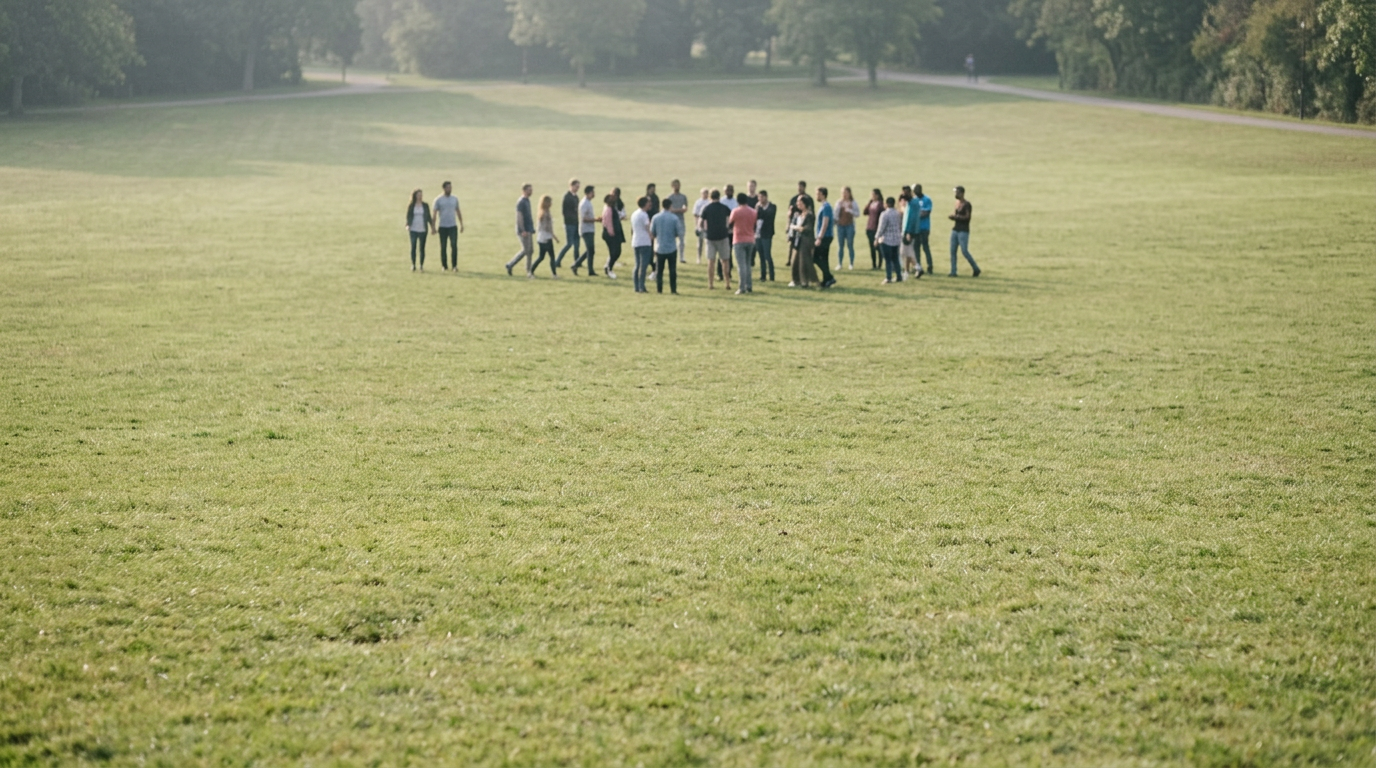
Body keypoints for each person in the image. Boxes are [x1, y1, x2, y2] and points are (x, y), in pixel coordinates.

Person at [650, 197, 684, 294]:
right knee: (672, 270)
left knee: (659, 270)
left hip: (660, 247)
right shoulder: (674, 218)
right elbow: (679, 232)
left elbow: (653, 232)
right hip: (671, 247)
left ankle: (659, 289)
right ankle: (673, 289)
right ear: (670, 206)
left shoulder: (655, 217)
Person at [700, 189, 732, 291]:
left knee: (711, 261)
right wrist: (728, 229)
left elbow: (701, 222)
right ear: (719, 197)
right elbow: (731, 220)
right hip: (723, 236)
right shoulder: (725, 208)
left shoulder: (706, 208)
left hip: (710, 237)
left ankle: (710, 284)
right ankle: (727, 283)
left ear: (710, 197)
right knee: (725, 260)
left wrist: (704, 230)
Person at [728, 192, 757, 295]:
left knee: (741, 266)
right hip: (750, 239)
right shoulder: (753, 212)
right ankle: (749, 285)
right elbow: (755, 225)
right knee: (748, 264)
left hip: (739, 239)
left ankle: (742, 287)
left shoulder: (735, 212)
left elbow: (730, 224)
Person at [949, 186, 981, 277]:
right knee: (952, 251)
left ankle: (976, 268)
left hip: (963, 230)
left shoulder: (967, 204)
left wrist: (956, 217)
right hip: (955, 229)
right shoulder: (957, 203)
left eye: (957, 192)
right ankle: (953, 271)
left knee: (964, 251)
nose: (955, 194)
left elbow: (967, 217)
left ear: (962, 193)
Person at [433, 181, 464, 272]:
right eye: (448, 188)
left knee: (454, 246)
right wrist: (433, 226)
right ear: (444, 188)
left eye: (450, 187)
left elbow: (458, 211)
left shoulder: (454, 199)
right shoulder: (438, 200)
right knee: (443, 247)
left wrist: (461, 224)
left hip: (452, 226)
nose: (449, 189)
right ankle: (444, 265)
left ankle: (454, 265)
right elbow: (434, 214)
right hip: (442, 226)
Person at [505, 184, 535, 276]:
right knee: (527, 250)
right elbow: (519, 217)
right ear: (524, 190)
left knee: (530, 250)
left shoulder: (527, 201)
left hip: (528, 228)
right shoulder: (521, 202)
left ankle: (513, 265)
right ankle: (526, 270)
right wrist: (522, 230)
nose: (531, 191)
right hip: (524, 230)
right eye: (529, 190)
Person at [529, 194, 560, 278]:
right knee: (550, 257)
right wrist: (554, 237)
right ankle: (553, 274)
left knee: (542, 257)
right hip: (545, 238)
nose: (551, 203)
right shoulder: (545, 214)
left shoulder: (543, 212)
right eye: (550, 202)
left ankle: (531, 271)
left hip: (542, 237)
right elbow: (547, 227)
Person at [789, 198, 818, 287]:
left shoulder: (809, 215)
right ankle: (796, 280)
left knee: (804, 261)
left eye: (800, 203)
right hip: (798, 241)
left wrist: (795, 227)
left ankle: (806, 281)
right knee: (794, 261)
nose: (798, 204)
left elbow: (806, 228)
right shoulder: (798, 214)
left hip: (806, 241)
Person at [405, 189, 434, 272]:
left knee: (422, 248)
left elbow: (428, 217)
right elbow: (408, 216)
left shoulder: (425, 205)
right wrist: (407, 225)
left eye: (421, 195)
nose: (420, 196)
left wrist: (432, 227)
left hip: (423, 229)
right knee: (413, 247)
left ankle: (421, 265)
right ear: (415, 196)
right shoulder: (411, 206)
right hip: (413, 229)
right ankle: (413, 264)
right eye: (418, 195)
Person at [876, 196, 904, 284]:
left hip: (887, 240)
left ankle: (888, 277)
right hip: (896, 239)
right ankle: (899, 276)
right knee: (895, 259)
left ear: (886, 204)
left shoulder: (884, 214)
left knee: (888, 260)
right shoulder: (898, 213)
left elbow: (881, 227)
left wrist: (876, 238)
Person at [813, 187, 837, 288]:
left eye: (817, 194)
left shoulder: (826, 207)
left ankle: (829, 277)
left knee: (815, 257)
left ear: (822, 194)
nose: (816, 196)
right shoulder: (824, 206)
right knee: (824, 259)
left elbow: (825, 223)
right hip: (825, 236)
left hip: (825, 236)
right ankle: (826, 280)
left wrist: (819, 237)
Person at [572, 184, 598, 276]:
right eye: (592, 192)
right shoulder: (584, 203)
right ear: (588, 193)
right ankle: (579, 266)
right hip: (586, 230)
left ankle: (579, 266)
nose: (594, 194)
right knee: (590, 250)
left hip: (590, 229)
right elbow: (583, 218)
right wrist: (595, 220)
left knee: (590, 250)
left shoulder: (588, 202)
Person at [630, 196, 654, 293]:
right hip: (644, 241)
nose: (650, 204)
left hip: (636, 241)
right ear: (645, 204)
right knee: (643, 266)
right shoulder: (644, 215)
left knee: (637, 265)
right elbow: (648, 228)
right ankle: (641, 286)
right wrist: (652, 237)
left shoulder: (634, 214)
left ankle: (636, 286)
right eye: (648, 203)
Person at [557, 179, 581, 268]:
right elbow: (564, 212)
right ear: (571, 186)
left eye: (578, 187)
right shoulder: (567, 197)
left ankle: (577, 261)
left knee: (577, 244)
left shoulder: (576, 197)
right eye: (576, 186)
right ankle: (557, 261)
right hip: (569, 224)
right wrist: (571, 217)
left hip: (576, 223)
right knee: (569, 243)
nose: (577, 188)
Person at [901, 189, 925, 279]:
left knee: (905, 251)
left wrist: (908, 232)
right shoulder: (911, 202)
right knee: (908, 251)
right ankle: (906, 272)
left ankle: (917, 267)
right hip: (909, 230)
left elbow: (911, 219)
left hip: (909, 231)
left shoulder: (913, 203)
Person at [601, 193, 625, 279]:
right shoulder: (609, 209)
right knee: (615, 252)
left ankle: (608, 267)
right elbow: (608, 223)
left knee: (616, 252)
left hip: (615, 234)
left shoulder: (611, 208)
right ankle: (609, 269)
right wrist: (612, 233)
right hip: (611, 235)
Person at [911, 183, 934, 274]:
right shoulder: (914, 200)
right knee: (916, 248)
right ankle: (918, 266)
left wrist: (916, 215)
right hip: (915, 228)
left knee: (925, 247)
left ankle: (930, 266)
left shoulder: (927, 199)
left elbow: (926, 212)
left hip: (924, 227)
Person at [754, 190, 777, 282]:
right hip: (758, 234)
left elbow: (768, 216)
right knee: (761, 256)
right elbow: (755, 217)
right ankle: (763, 275)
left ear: (766, 197)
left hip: (767, 234)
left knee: (767, 255)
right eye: (759, 197)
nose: (760, 199)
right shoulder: (757, 207)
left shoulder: (772, 207)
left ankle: (772, 275)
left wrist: (758, 209)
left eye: (762, 197)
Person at [835, 186, 859, 270]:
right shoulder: (839, 202)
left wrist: (850, 211)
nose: (844, 195)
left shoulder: (853, 202)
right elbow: (836, 214)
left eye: (846, 193)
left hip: (850, 225)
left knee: (850, 245)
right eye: (843, 193)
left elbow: (857, 214)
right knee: (840, 245)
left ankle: (851, 263)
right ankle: (840, 263)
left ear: (849, 193)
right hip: (840, 226)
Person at [666, 179, 689, 264]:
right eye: (675, 185)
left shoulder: (683, 197)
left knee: (682, 239)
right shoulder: (669, 197)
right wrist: (679, 210)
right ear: (672, 186)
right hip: (671, 220)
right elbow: (670, 209)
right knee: (672, 239)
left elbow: (685, 208)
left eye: (678, 185)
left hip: (680, 220)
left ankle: (682, 257)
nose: (677, 187)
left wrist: (676, 210)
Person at [692, 188, 710, 264]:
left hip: (708, 223)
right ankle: (698, 258)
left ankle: (708, 257)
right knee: (700, 242)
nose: (705, 195)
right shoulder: (698, 202)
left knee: (708, 242)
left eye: (706, 193)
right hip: (700, 222)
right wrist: (696, 225)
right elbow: (695, 214)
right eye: (703, 193)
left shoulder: (709, 202)